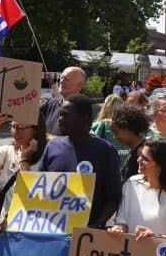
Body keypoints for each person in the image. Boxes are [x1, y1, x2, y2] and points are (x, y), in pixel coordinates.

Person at [36, 94, 122, 228]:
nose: (60, 120)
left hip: (86, 237)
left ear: (85, 118)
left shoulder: (106, 151)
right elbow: (38, 186)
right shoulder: (52, 147)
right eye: (60, 115)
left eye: (66, 115)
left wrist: (97, 224)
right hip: (53, 230)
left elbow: (114, 198)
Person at [107, 137, 166, 238]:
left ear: (160, 165)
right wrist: (119, 229)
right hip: (130, 252)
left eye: (145, 159)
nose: (139, 160)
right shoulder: (131, 183)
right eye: (140, 156)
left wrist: (156, 237)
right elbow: (122, 219)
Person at [0, 109, 45, 221]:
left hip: (32, 227)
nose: (15, 132)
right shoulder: (8, 151)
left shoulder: (47, 155)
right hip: (6, 226)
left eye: (21, 128)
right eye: (13, 127)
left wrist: (24, 159)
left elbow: (30, 193)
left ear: (36, 130)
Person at [108, 103, 151, 182]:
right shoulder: (135, 150)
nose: (114, 137)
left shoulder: (142, 153)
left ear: (128, 128)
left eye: (116, 132)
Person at [41, 67, 86, 136]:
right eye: (61, 78)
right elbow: (29, 118)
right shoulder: (51, 103)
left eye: (66, 79)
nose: (61, 81)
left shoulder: (83, 111)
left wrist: (43, 136)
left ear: (79, 85)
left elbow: (73, 142)